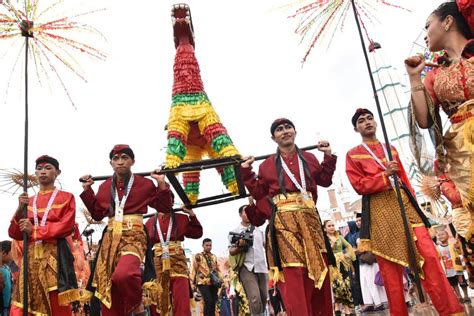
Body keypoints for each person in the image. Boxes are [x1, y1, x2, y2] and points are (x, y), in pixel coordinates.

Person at [345, 108, 464, 316]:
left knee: (430, 258)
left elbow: (405, 182)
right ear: (356, 128)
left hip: (405, 206)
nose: (367, 122)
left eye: (370, 118)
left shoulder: (390, 148)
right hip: (380, 211)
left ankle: (452, 311)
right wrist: (383, 176)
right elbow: (359, 185)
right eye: (362, 121)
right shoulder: (353, 154)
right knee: (391, 273)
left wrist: (416, 206)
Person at [405, 0, 473, 279]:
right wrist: (414, 79)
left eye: (427, 25)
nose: (424, 34)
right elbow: (424, 121)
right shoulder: (434, 75)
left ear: (447, 22)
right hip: (461, 158)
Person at [240, 117, 336, 316]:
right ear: (273, 138)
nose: (285, 131)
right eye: (279, 130)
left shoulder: (309, 158)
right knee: (295, 273)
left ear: (295, 131)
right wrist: (246, 172)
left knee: (320, 269)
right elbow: (258, 193)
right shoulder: (266, 165)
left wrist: (328, 156)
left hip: (311, 220)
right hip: (284, 222)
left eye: (288, 127)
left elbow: (325, 181)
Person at [80, 144, 173, 316]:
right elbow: (98, 214)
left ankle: (136, 305)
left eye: (125, 158)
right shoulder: (104, 186)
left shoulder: (144, 183)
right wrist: (87, 191)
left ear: (132, 161)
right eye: (116, 159)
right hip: (109, 238)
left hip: (134, 236)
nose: (120, 162)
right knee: (110, 290)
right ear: (111, 163)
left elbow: (165, 207)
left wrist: (161, 184)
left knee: (124, 275)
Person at [8, 155, 79, 315]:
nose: (43, 172)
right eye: (39, 169)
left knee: (56, 306)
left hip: (53, 259)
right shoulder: (28, 201)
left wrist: (34, 231)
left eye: (48, 168)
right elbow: (14, 233)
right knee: (21, 307)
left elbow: (65, 226)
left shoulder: (66, 198)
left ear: (57, 172)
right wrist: (20, 210)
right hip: (30, 259)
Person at [144, 207, 203, 316]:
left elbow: (197, 233)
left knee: (181, 298)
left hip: (178, 261)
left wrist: (192, 215)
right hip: (158, 262)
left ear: (171, 202)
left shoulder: (182, 218)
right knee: (158, 298)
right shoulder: (150, 221)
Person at [228, 203, 268, 316]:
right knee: (254, 297)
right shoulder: (235, 231)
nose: (248, 214)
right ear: (240, 215)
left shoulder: (259, 230)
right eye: (246, 212)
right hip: (246, 267)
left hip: (261, 267)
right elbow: (231, 251)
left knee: (264, 297)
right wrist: (240, 246)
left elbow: (267, 247)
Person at [355, 214, 387, 312]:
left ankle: (379, 303)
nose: (358, 222)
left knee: (372, 281)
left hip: (371, 260)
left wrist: (359, 250)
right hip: (362, 261)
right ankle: (369, 303)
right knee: (364, 282)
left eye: (360, 220)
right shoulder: (357, 234)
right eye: (357, 221)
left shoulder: (371, 230)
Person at [324, 220, 355, 316]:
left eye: (333, 225)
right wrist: (331, 246)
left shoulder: (340, 237)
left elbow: (349, 246)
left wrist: (347, 255)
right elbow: (324, 252)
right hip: (332, 266)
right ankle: (337, 307)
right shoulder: (324, 239)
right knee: (337, 287)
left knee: (346, 286)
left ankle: (346, 309)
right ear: (325, 228)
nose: (332, 227)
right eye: (329, 226)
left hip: (342, 264)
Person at [436, 229, 471, 303]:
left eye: (442, 234)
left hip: (457, 267)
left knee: (462, 282)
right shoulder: (437, 248)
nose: (440, 236)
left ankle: (466, 295)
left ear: (448, 236)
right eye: (439, 235)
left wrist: (458, 246)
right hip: (447, 270)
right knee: (454, 284)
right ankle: (459, 296)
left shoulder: (453, 244)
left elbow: (459, 251)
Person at [191, 238, 222, 316]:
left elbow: (218, 270)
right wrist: (192, 283)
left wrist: (221, 280)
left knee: (213, 303)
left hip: (213, 283)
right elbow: (194, 270)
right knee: (208, 301)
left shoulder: (214, 256)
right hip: (202, 282)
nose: (209, 247)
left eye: (210, 245)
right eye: (207, 245)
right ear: (203, 246)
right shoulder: (198, 256)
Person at [0, 241, 13, 316]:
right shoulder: (2, 271)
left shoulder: (7, 268)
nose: (13, 255)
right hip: (4, 306)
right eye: (12, 252)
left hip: (8, 306)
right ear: (4, 253)